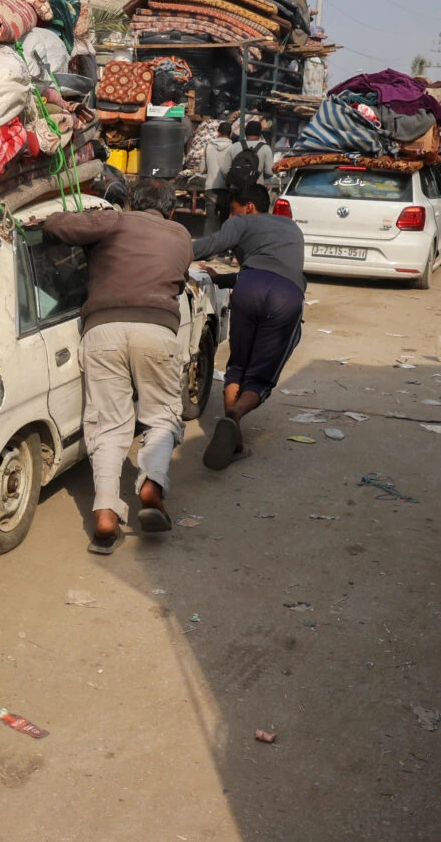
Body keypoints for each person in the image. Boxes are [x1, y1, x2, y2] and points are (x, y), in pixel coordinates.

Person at [40, 179, 193, 553]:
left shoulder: (113, 220)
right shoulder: (181, 235)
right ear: (170, 210)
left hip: (103, 329)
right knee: (162, 417)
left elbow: (56, 226)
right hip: (158, 330)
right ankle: (151, 482)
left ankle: (105, 514)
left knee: (108, 425)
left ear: (129, 203)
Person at [191, 170, 307, 469]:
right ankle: (235, 421)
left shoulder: (242, 222)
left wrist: (172, 246)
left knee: (238, 366)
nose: (231, 215)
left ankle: (234, 428)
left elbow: (212, 245)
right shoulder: (292, 228)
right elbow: (276, 269)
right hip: (286, 293)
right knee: (260, 375)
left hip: (248, 287)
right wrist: (223, 278)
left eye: (233, 209)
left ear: (249, 207)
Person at [202, 121, 236, 230]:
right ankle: (222, 245)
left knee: (210, 220)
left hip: (210, 188)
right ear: (231, 134)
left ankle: (207, 245)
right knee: (224, 221)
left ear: (218, 132)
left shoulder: (208, 146)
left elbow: (202, 169)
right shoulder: (234, 148)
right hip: (226, 190)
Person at [226, 119, 275, 190]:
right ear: (260, 134)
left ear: (245, 132)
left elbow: (224, 170)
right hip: (256, 189)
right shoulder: (266, 148)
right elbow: (269, 172)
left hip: (236, 190)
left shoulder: (234, 146)